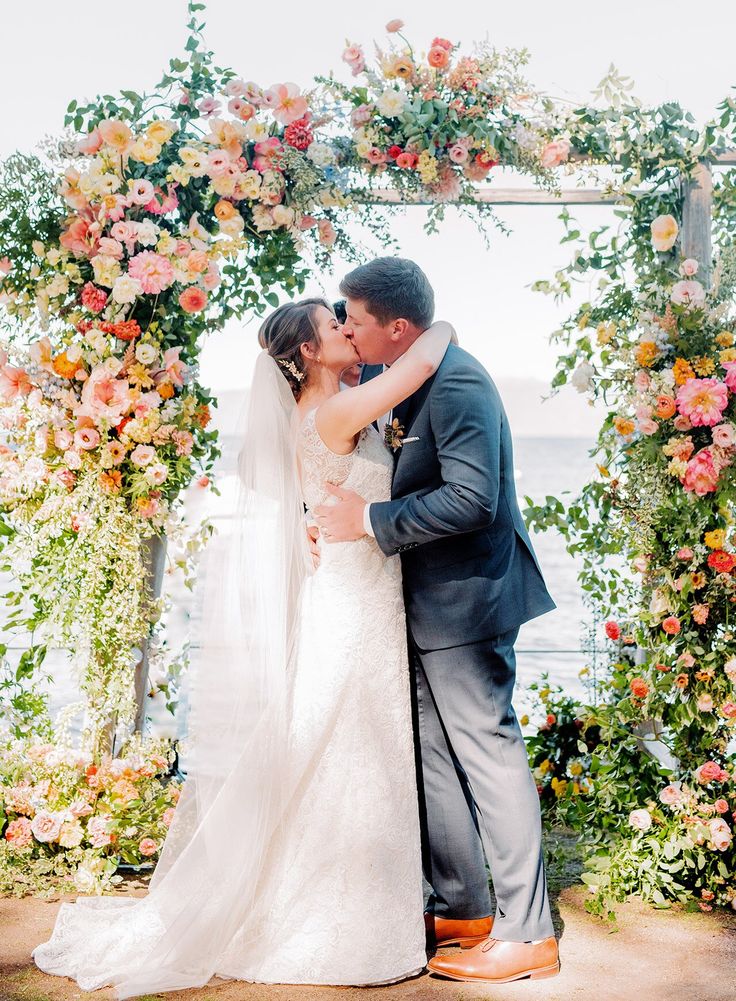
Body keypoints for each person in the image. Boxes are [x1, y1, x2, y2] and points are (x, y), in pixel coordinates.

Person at [32, 298, 455, 995]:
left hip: (355, 594)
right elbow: (426, 357)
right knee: (341, 745)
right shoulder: (335, 412)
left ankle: (346, 910)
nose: (349, 330)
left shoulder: (318, 413)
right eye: (334, 326)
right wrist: (440, 323)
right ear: (310, 354)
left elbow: (309, 493)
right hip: (352, 602)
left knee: (336, 746)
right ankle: (330, 925)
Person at [314, 257, 561, 986]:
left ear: (397, 326)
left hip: (468, 601)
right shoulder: (406, 377)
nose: (346, 328)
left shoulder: (457, 383)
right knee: (435, 757)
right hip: (418, 604)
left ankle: (528, 932)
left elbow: (472, 500)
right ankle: (462, 908)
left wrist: (367, 518)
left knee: (488, 754)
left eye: (353, 319)